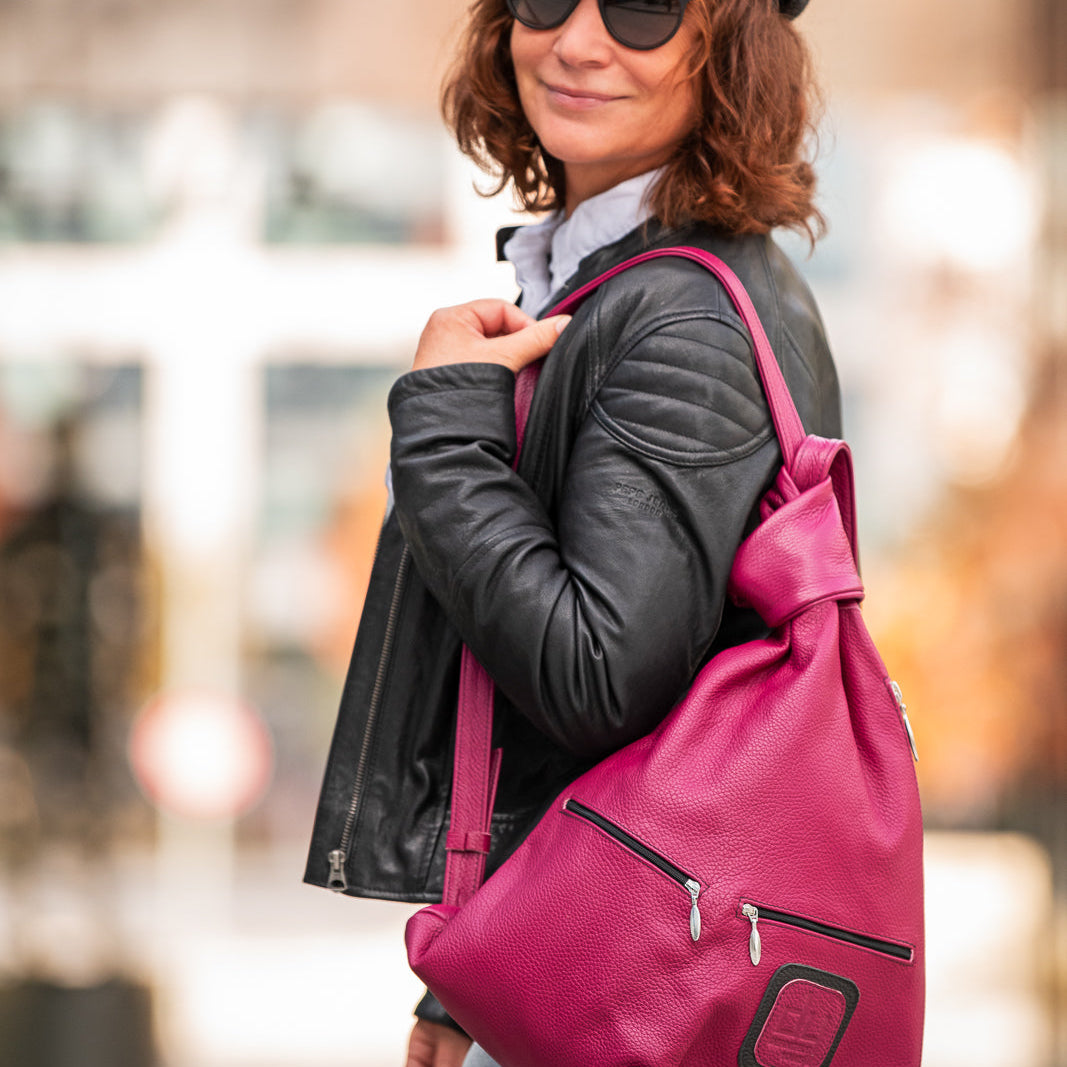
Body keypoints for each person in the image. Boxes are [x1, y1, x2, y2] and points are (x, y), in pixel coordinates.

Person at [303, 0, 841, 1064]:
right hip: (609, 963)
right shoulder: (634, 286)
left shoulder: (678, 319)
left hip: (626, 996)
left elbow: (598, 674)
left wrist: (447, 427)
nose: (578, 41)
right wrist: (477, 975)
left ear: (730, 50)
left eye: (642, 9)